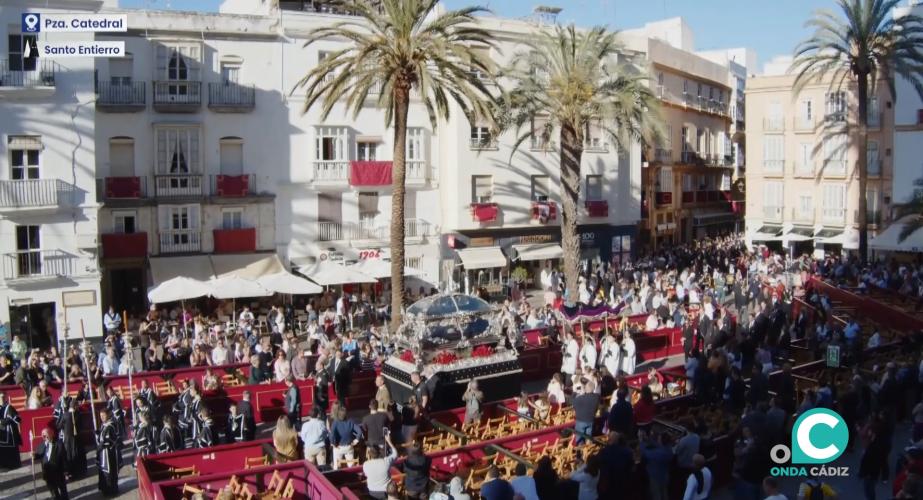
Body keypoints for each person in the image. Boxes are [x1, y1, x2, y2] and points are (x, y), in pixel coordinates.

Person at [54, 395, 87, 477]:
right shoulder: (78, 414)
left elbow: (58, 426)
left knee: (69, 455)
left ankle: (70, 471)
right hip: (77, 438)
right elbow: (82, 426)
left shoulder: (65, 415)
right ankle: (79, 471)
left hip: (68, 439)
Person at [35, 428, 69, 500]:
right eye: (43, 435)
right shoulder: (41, 445)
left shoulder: (59, 444)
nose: (44, 437)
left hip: (58, 471)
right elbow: (38, 455)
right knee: (53, 489)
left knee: (63, 489)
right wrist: (33, 455)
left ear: (52, 434)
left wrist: (65, 470)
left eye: (46, 435)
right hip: (47, 472)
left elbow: (64, 457)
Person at [363, 431, 398, 499]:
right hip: (385, 492)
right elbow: (395, 454)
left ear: (369, 454)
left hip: (372, 492)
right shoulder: (386, 461)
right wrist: (389, 441)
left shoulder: (365, 465)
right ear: (379, 452)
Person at [96, 408, 121, 496]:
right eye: (100, 416)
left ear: (108, 415)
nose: (102, 417)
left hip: (108, 453)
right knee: (104, 471)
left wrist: (100, 445)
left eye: (103, 415)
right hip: (103, 453)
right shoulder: (104, 425)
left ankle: (111, 490)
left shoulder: (110, 426)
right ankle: (105, 489)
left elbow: (108, 441)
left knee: (109, 472)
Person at [0, 392, 23, 470]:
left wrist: (8, 419)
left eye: (2, 397)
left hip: (10, 434)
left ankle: (13, 465)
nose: (1, 399)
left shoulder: (9, 407)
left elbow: (18, 419)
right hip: (2, 433)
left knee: (10, 450)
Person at [573, 379, 600, 445]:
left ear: (585, 389)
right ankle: (588, 450)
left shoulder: (579, 399)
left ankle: (581, 453)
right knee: (589, 438)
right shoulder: (597, 397)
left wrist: (581, 393)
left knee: (580, 439)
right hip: (590, 420)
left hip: (580, 420)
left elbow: (574, 406)